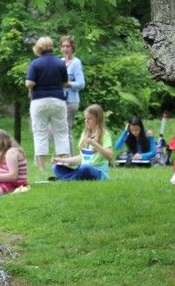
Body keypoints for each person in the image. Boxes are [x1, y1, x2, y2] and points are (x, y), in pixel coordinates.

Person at [25, 36, 71, 173]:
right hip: (58, 100)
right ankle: (64, 165)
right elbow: (65, 83)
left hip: (39, 101)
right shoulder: (60, 63)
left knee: (40, 134)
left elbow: (29, 83)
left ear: (38, 48)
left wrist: (31, 87)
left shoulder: (35, 63)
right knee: (61, 133)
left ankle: (42, 169)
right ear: (52, 47)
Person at [51, 104, 117, 181]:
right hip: (82, 169)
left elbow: (109, 156)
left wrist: (95, 144)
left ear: (97, 119)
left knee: (85, 168)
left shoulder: (104, 134)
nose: (86, 121)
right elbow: (81, 158)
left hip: (97, 172)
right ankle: (71, 178)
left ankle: (65, 178)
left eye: (89, 119)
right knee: (56, 167)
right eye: (85, 118)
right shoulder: (84, 134)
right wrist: (62, 161)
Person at [60, 36, 85, 154]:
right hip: (59, 100)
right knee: (58, 129)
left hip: (71, 101)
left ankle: (69, 158)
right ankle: (63, 155)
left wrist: (67, 84)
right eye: (63, 46)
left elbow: (81, 84)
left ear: (72, 48)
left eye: (68, 46)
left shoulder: (76, 62)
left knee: (65, 130)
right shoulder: (59, 62)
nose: (65, 49)